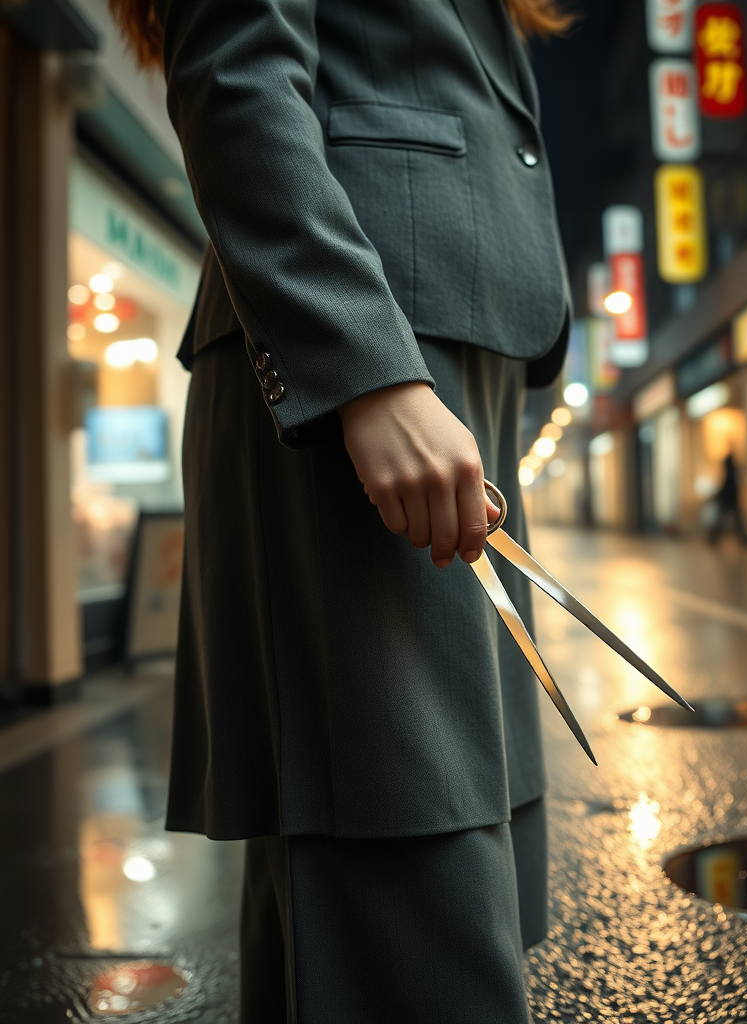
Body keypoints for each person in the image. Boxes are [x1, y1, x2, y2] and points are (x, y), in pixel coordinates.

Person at [109, 1, 573, 1021]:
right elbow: (234, 72)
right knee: (403, 836)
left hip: (433, 343)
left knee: (416, 838)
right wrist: (363, 372)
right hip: (372, 343)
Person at [707, 450, 746, 544]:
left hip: (729, 498)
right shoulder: (732, 471)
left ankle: (714, 537)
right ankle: (714, 537)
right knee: (732, 519)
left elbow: (727, 485)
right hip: (730, 498)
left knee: (723, 518)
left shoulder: (730, 472)